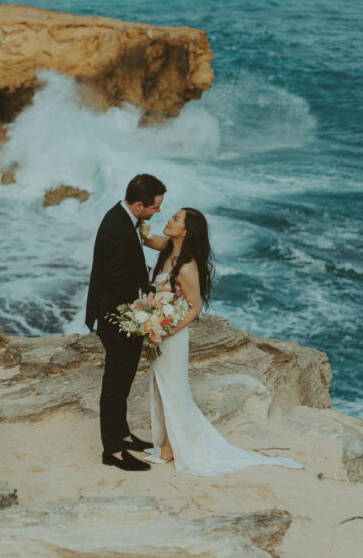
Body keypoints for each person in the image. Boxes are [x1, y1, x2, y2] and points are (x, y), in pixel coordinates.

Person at [142, 207, 303, 475]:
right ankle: (168, 440)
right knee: (160, 385)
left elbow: (194, 308)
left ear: (186, 231)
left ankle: (172, 446)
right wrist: (136, 221)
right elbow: (145, 238)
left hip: (172, 335)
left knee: (174, 389)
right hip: (159, 331)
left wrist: (165, 331)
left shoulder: (187, 267)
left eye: (176, 219)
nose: (169, 220)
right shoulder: (167, 247)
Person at [86, 173, 166, 472]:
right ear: (139, 205)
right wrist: (149, 294)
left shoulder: (122, 218)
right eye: (155, 207)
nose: (158, 211)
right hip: (116, 318)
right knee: (115, 385)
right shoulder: (117, 229)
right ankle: (113, 451)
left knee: (123, 380)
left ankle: (123, 434)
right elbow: (117, 280)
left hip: (121, 315)